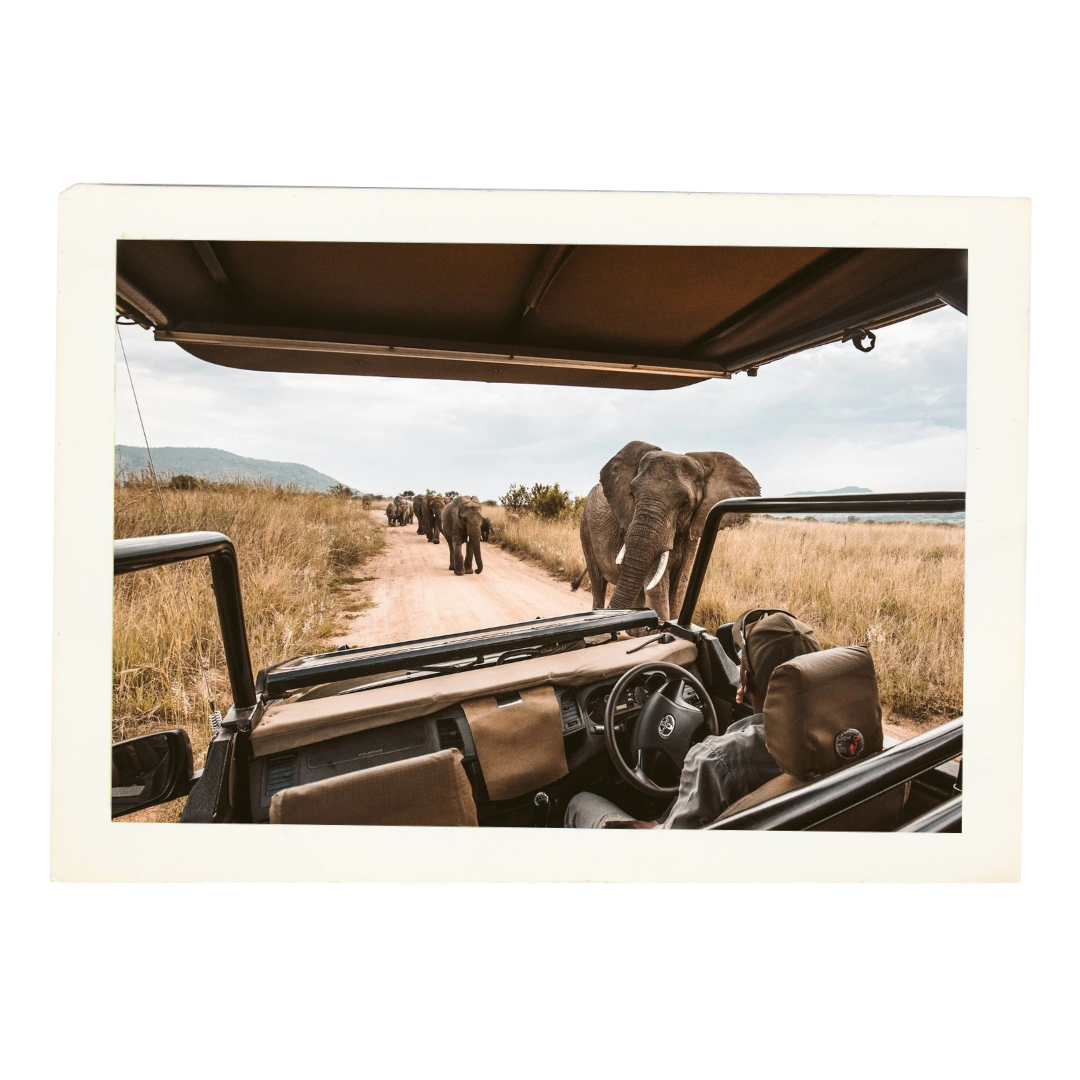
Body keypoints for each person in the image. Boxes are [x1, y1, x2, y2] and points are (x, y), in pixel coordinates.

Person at [564, 609, 822, 829]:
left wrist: (654, 830)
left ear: (744, 681)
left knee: (578, 803)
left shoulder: (717, 760)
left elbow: (671, 851)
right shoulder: (841, 737)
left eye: (742, 661)